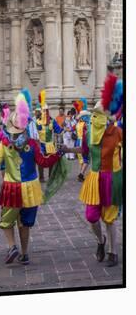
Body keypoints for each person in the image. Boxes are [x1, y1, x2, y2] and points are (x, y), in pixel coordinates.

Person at [0, 94, 66, 265]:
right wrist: (58, 154)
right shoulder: (32, 143)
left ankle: (12, 246)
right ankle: (24, 254)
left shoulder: (4, 143)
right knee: (24, 223)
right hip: (31, 188)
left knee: (6, 221)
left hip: (12, 187)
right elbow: (44, 162)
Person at [65, 74, 123, 267]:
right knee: (91, 217)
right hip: (95, 178)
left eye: (99, 116)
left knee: (110, 219)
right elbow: (84, 151)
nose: (95, 119)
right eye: (94, 116)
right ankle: (100, 241)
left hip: (112, 179)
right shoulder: (89, 133)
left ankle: (113, 252)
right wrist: (66, 150)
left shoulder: (118, 132)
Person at [73, 99, 91, 182]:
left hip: (77, 142)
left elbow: (72, 129)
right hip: (83, 142)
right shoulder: (85, 124)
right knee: (86, 160)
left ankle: (80, 174)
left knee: (81, 159)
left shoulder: (77, 124)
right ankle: (81, 174)